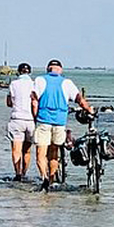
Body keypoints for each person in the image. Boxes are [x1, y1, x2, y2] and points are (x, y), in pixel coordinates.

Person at [31, 59, 93, 189]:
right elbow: (79, 100)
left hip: (43, 120)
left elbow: (34, 101)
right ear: (60, 70)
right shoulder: (67, 82)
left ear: (48, 69)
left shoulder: (40, 80)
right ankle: (53, 180)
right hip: (59, 122)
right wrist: (89, 109)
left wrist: (35, 116)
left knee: (40, 154)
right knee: (54, 153)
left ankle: (44, 177)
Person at [4, 62, 36, 181]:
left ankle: (17, 174)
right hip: (30, 120)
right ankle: (24, 173)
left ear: (18, 72)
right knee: (27, 150)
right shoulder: (33, 84)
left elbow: (9, 103)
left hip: (17, 119)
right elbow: (35, 102)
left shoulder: (13, 84)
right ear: (30, 72)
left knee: (16, 149)